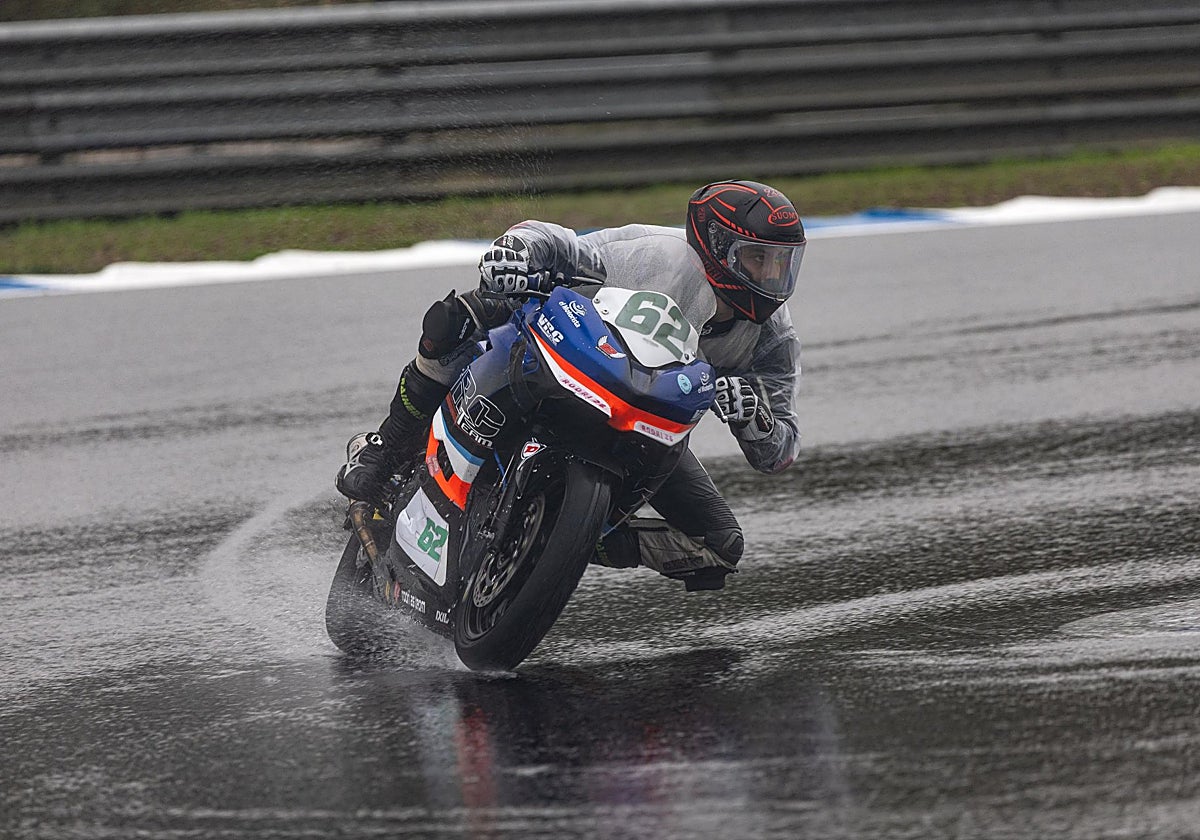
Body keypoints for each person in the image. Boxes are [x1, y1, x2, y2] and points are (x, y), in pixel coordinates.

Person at [337, 180, 806, 591]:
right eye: (758, 260)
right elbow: (558, 242)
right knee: (459, 318)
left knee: (720, 547)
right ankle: (384, 449)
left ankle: (555, 543)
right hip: (569, 355)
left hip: (648, 422)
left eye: (783, 264)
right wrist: (516, 251)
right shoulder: (653, 254)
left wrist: (756, 420)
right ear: (718, 247)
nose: (773, 278)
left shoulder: (772, 339)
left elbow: (781, 449)